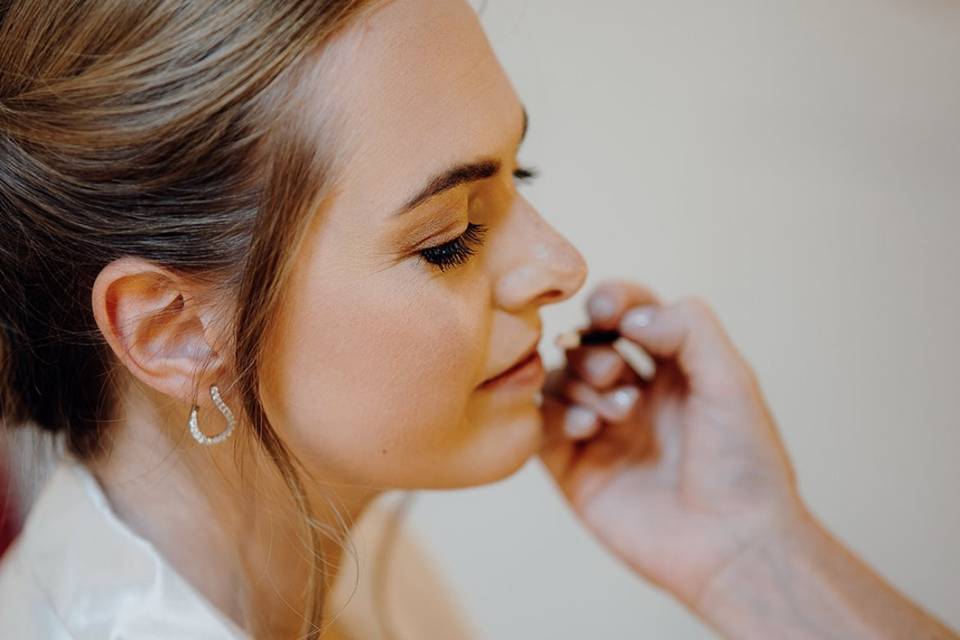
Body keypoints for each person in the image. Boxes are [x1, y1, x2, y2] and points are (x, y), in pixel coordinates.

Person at [0, 0, 955, 638]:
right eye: (452, 236)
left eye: (518, 179)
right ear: (173, 330)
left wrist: (756, 555)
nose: (562, 265)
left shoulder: (368, 570)